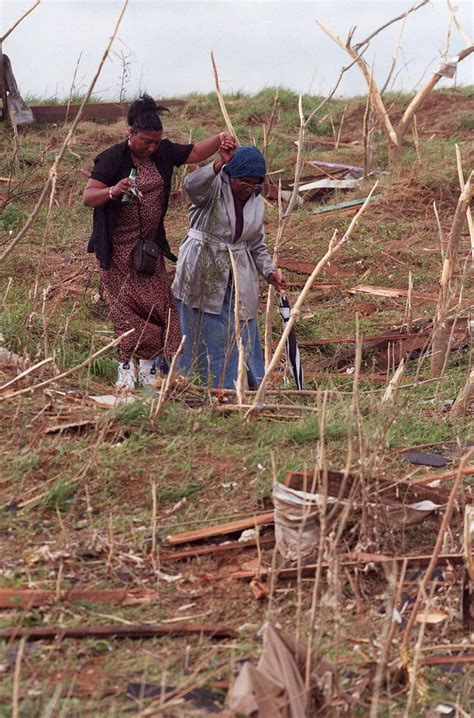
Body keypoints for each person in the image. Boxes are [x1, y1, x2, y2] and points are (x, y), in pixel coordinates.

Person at [83, 94, 236, 389]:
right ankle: (125, 368)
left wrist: (219, 139)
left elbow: (193, 153)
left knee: (158, 307)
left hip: (147, 250)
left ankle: (149, 369)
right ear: (131, 134)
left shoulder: (162, 153)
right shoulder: (112, 158)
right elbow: (89, 196)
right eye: (146, 141)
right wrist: (114, 190)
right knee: (124, 308)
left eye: (156, 141)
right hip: (116, 250)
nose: (152, 147)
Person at [172, 144, 287, 389]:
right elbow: (190, 185)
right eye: (244, 182)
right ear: (230, 174)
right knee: (203, 327)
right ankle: (200, 384)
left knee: (241, 327)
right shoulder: (212, 187)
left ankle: (243, 385)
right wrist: (216, 164)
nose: (249, 189)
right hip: (203, 265)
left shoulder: (255, 201)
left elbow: (256, 243)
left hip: (237, 272)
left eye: (256, 184)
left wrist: (269, 271)